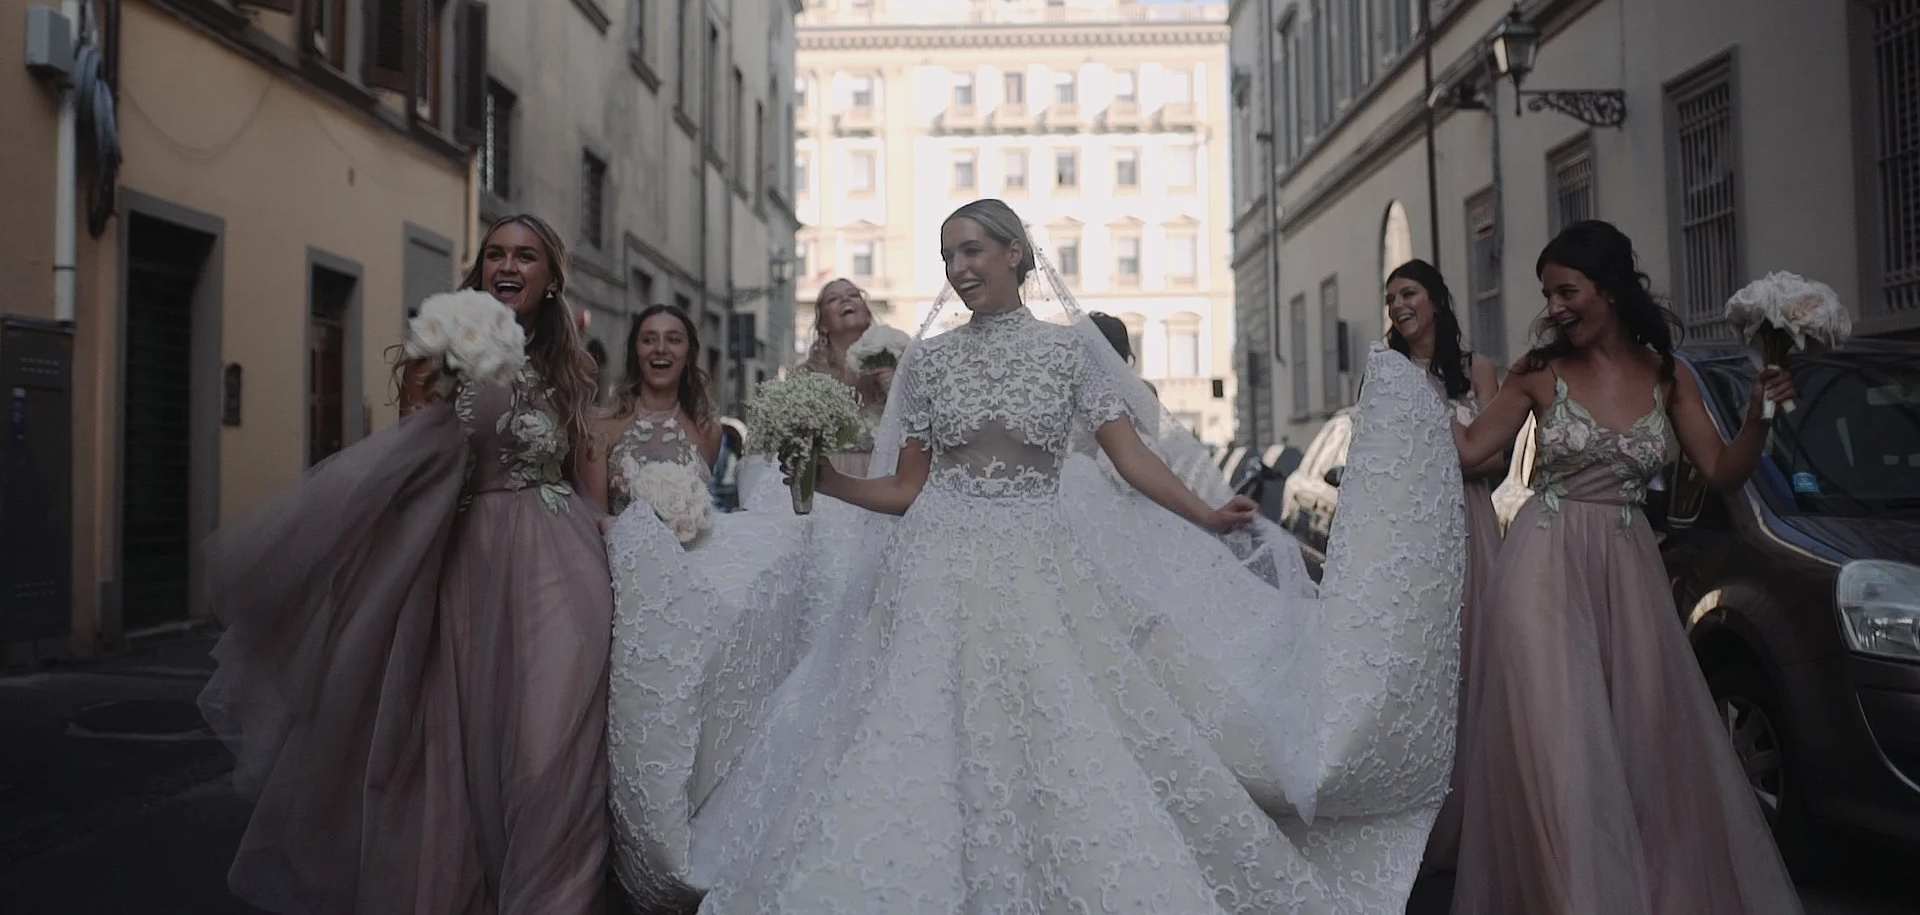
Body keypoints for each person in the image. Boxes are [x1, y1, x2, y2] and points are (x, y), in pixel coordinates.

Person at [661, 199, 1469, 913]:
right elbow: (906, 488)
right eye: (947, 256)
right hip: (935, 565)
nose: (959, 268)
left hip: (1036, 564)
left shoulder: (1067, 351)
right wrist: (826, 481)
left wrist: (1206, 512)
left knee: (1058, 725)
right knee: (913, 730)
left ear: (1016, 253)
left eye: (972, 249)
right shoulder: (931, 360)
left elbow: (1130, 457)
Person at [199, 214, 613, 913]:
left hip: (563, 573)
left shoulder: (569, 373)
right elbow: (404, 474)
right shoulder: (438, 353)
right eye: (495, 254)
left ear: (550, 280)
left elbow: (588, 485)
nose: (508, 266)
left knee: (555, 753)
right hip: (470, 572)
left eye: (526, 256)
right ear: (480, 268)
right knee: (476, 755)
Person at [1448, 221, 1801, 914]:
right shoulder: (1536, 374)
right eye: (1547, 293)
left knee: (1641, 749)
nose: (1553, 306)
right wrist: (1409, 391)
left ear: (1608, 289)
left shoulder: (1669, 377)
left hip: (1629, 576)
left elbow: (1725, 471)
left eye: (1566, 290)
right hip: (1541, 575)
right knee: (1559, 752)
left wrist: (1761, 415)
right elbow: (1469, 452)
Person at [1381, 259, 1504, 874]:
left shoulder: (1477, 370)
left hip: (1470, 523)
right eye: (1391, 298)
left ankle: (1482, 810)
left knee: (1475, 659)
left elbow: (1498, 463)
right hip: (1412, 529)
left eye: (1409, 293)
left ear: (1435, 299)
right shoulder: (1387, 372)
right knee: (1422, 668)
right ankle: (1419, 812)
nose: (1399, 306)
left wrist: (1453, 451)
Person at [579, 304, 721, 523]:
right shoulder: (600, 427)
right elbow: (592, 517)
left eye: (673, 340)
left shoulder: (708, 429)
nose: (661, 349)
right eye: (649, 340)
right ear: (636, 353)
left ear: (689, 355)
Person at [802, 278, 892, 475]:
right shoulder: (807, 376)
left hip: (883, 477)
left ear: (867, 314)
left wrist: (894, 387)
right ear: (823, 325)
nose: (845, 299)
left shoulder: (895, 363)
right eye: (833, 299)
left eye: (853, 295)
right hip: (829, 479)